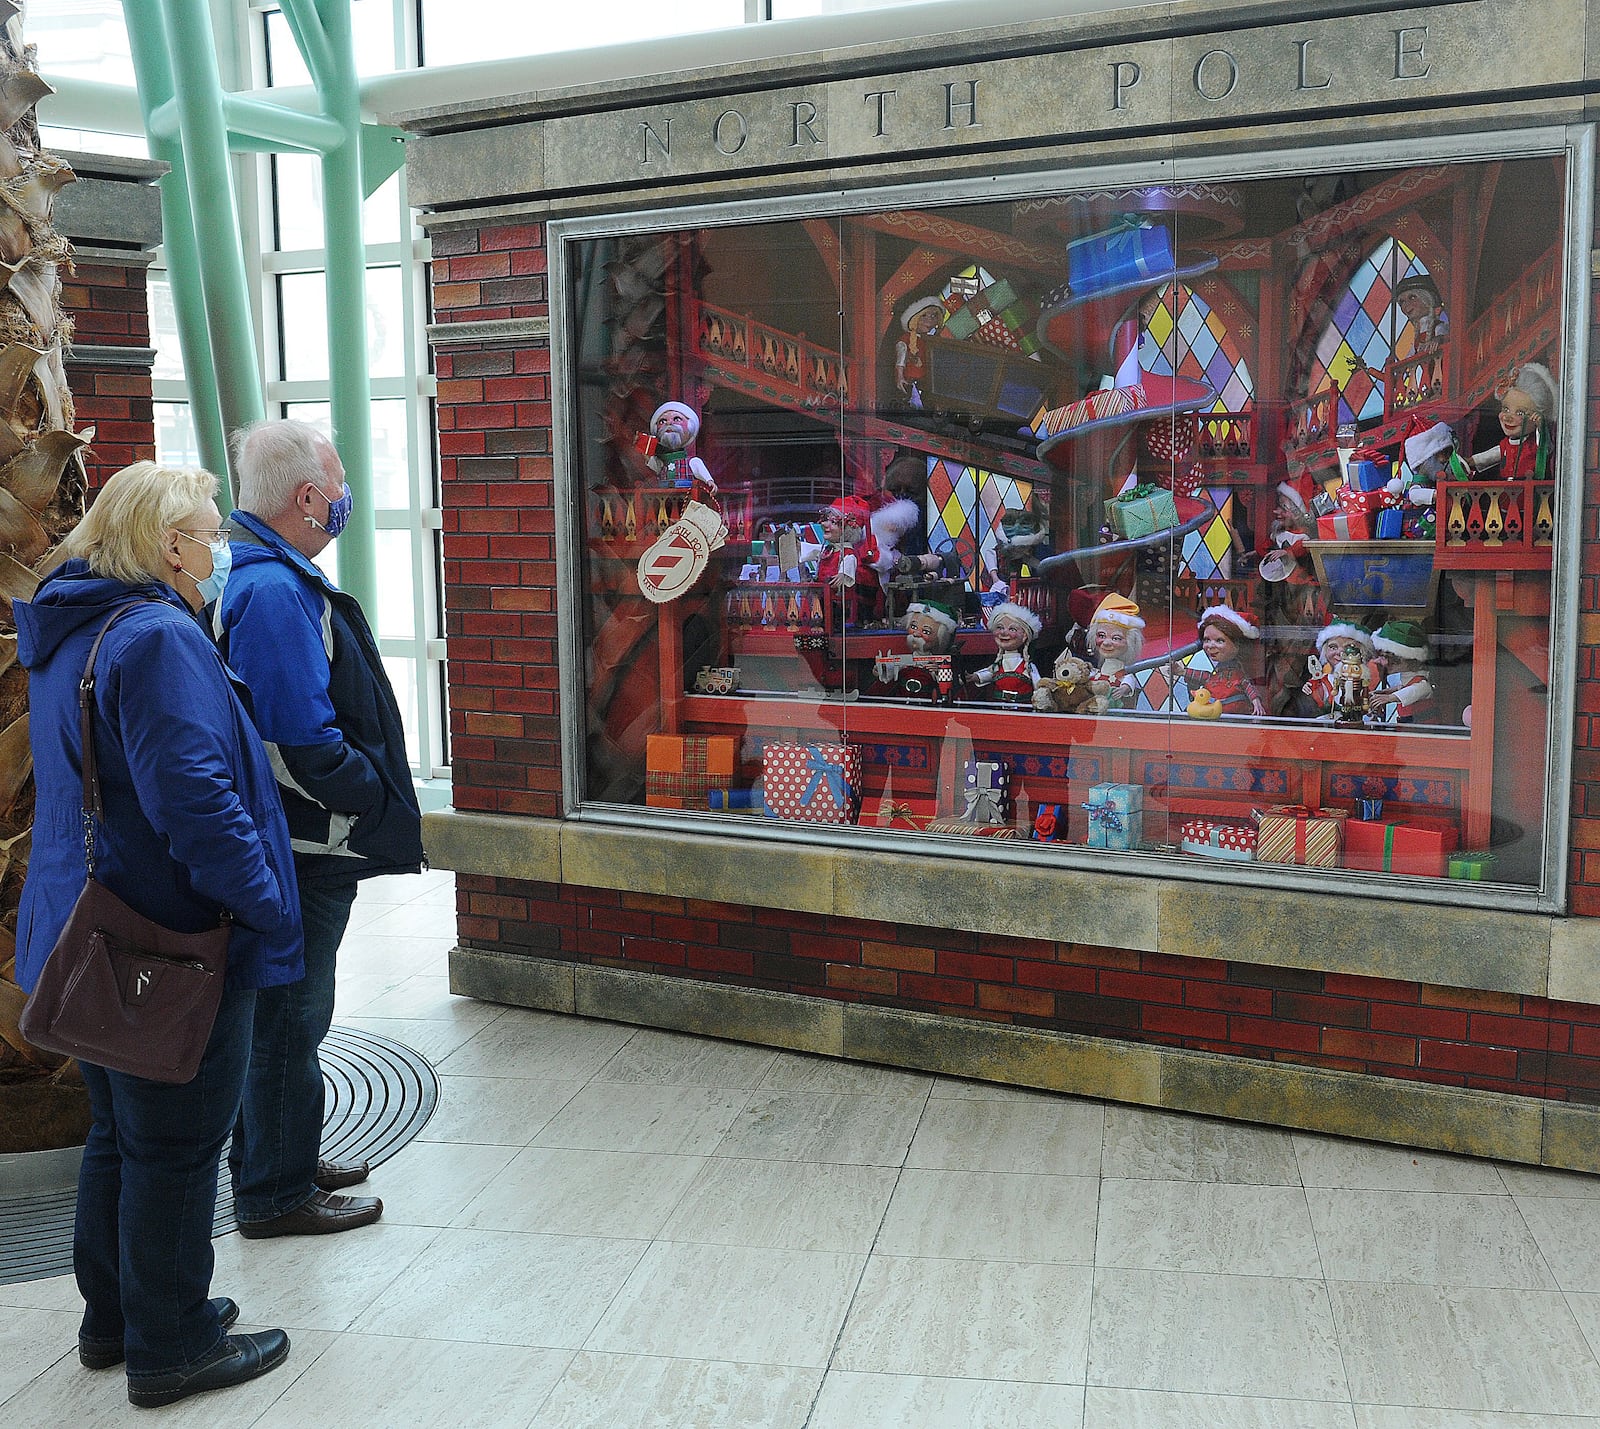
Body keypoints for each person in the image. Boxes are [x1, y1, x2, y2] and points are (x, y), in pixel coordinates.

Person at [13, 462, 299, 1408]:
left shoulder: (69, 624)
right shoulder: (160, 638)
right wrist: (263, 903)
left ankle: (116, 1318)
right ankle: (172, 1343)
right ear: (170, 544)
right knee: (175, 1146)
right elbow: (198, 806)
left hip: (79, 928)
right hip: (164, 941)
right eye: (212, 532)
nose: (221, 548)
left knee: (119, 1133)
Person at [218, 419, 424, 1238]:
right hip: (308, 848)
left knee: (291, 1017)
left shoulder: (264, 573)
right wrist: (370, 799)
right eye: (337, 485)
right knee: (290, 1021)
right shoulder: (272, 591)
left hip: (301, 844)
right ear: (308, 498)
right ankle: (274, 1190)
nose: (344, 498)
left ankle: (286, 1158)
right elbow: (298, 740)